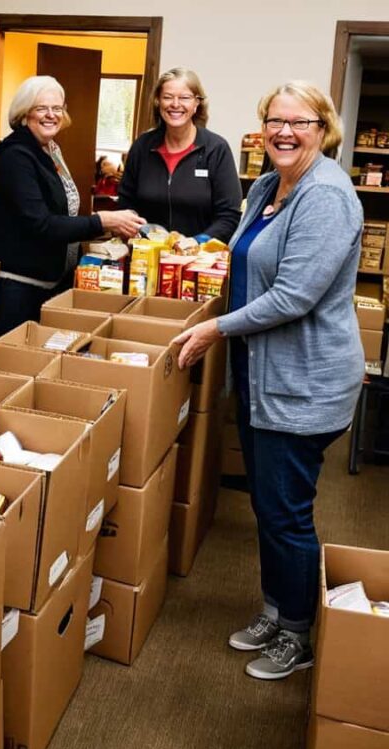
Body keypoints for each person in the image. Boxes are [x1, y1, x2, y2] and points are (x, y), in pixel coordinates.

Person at [174, 82, 364, 681]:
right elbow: (243, 258)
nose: (284, 132)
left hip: (304, 382)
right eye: (273, 121)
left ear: (323, 128)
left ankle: (299, 634)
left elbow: (295, 295)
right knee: (268, 505)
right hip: (261, 377)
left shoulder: (327, 196)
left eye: (298, 122)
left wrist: (216, 330)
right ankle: (278, 610)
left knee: (286, 513)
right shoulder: (267, 186)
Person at [0, 75, 144, 340]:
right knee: (11, 367)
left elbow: (63, 212)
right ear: (24, 113)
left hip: (50, 282)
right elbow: (41, 223)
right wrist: (102, 221)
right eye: (41, 108)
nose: (51, 115)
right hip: (18, 286)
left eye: (57, 108)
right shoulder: (15, 155)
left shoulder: (50, 149)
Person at [117, 66, 242, 242]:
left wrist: (195, 242)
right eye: (167, 97)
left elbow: (229, 216)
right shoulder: (142, 147)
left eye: (184, 97)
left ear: (197, 103)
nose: (175, 104)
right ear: (158, 102)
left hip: (198, 260)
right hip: (146, 257)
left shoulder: (216, 149)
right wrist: (135, 231)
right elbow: (125, 204)